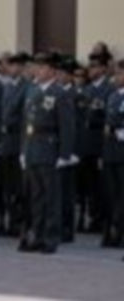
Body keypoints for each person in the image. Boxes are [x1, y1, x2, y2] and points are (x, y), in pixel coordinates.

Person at [19, 52, 75, 255]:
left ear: (52, 71)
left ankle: (50, 237)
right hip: (33, 148)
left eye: (42, 68)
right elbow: (26, 124)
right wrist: (24, 150)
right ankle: (37, 235)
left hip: (50, 149)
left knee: (51, 197)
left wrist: (64, 154)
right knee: (36, 197)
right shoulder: (32, 91)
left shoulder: (60, 93)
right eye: (36, 67)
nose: (37, 71)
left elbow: (67, 126)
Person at [80, 52, 115, 238]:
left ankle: (102, 218)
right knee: (89, 184)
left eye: (94, 66)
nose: (91, 69)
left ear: (103, 69)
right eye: (90, 66)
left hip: (99, 140)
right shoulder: (87, 89)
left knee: (101, 185)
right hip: (86, 142)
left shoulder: (109, 89)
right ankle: (93, 216)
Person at [0, 52, 31, 237]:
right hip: (5, 142)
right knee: (7, 185)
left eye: (16, 65)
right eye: (10, 65)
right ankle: (9, 219)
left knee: (19, 186)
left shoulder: (27, 87)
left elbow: (23, 115)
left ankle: (19, 221)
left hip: (17, 139)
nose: (13, 69)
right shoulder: (8, 87)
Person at [56, 56, 81, 243]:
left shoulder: (76, 95)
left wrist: (72, 151)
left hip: (69, 151)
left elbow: (76, 126)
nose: (59, 76)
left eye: (62, 73)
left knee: (67, 192)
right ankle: (58, 226)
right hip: (54, 149)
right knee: (57, 192)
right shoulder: (55, 93)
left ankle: (67, 228)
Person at [102, 59, 124, 257]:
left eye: (119, 74)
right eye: (115, 74)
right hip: (111, 152)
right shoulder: (113, 96)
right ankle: (113, 232)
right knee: (112, 195)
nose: (116, 78)